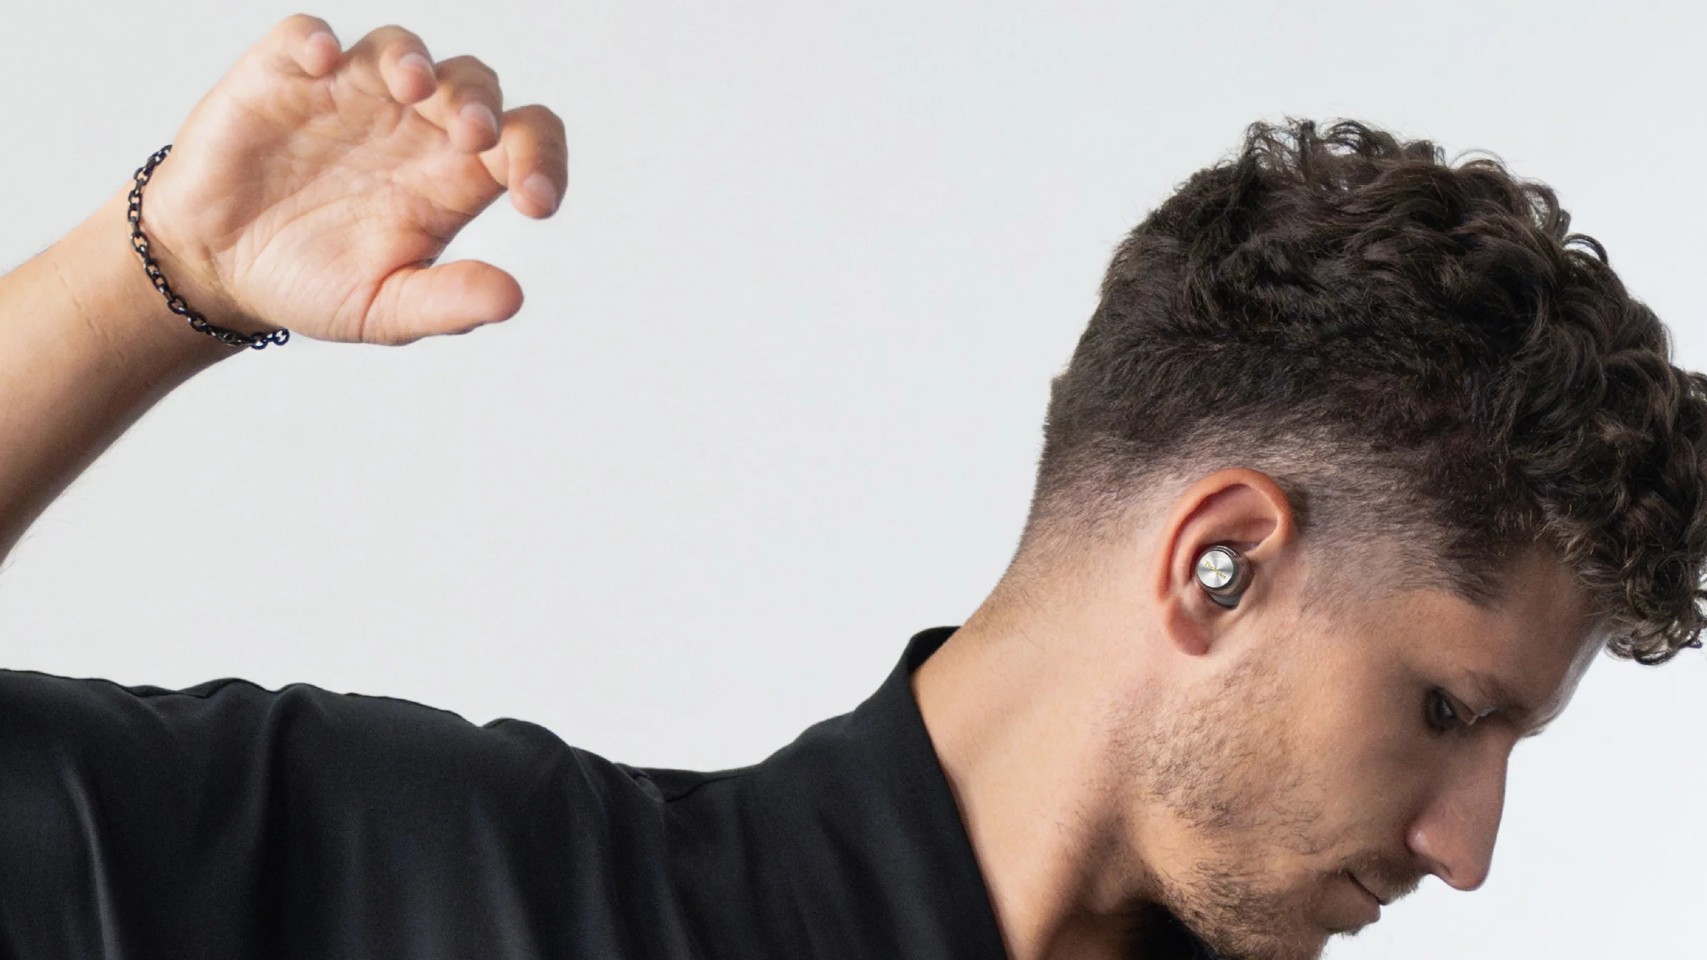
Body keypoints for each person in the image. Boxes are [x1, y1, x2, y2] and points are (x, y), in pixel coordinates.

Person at [1, 13, 1701, 960]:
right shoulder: (458, 892)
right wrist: (152, 280)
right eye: (1447, 711)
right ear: (1221, 562)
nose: (1467, 850)